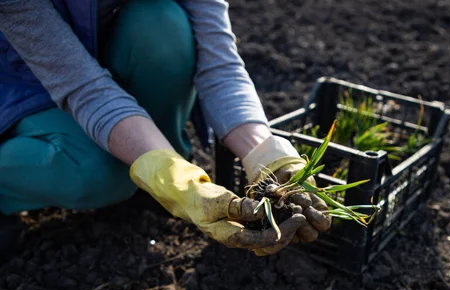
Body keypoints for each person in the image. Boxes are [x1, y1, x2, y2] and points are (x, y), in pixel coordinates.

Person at [0, 0, 331, 262]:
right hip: (25, 79)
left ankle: (147, 179)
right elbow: (84, 88)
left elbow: (218, 63)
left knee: (163, 24)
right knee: (94, 172)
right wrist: (175, 178)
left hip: (100, 58)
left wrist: (266, 153)